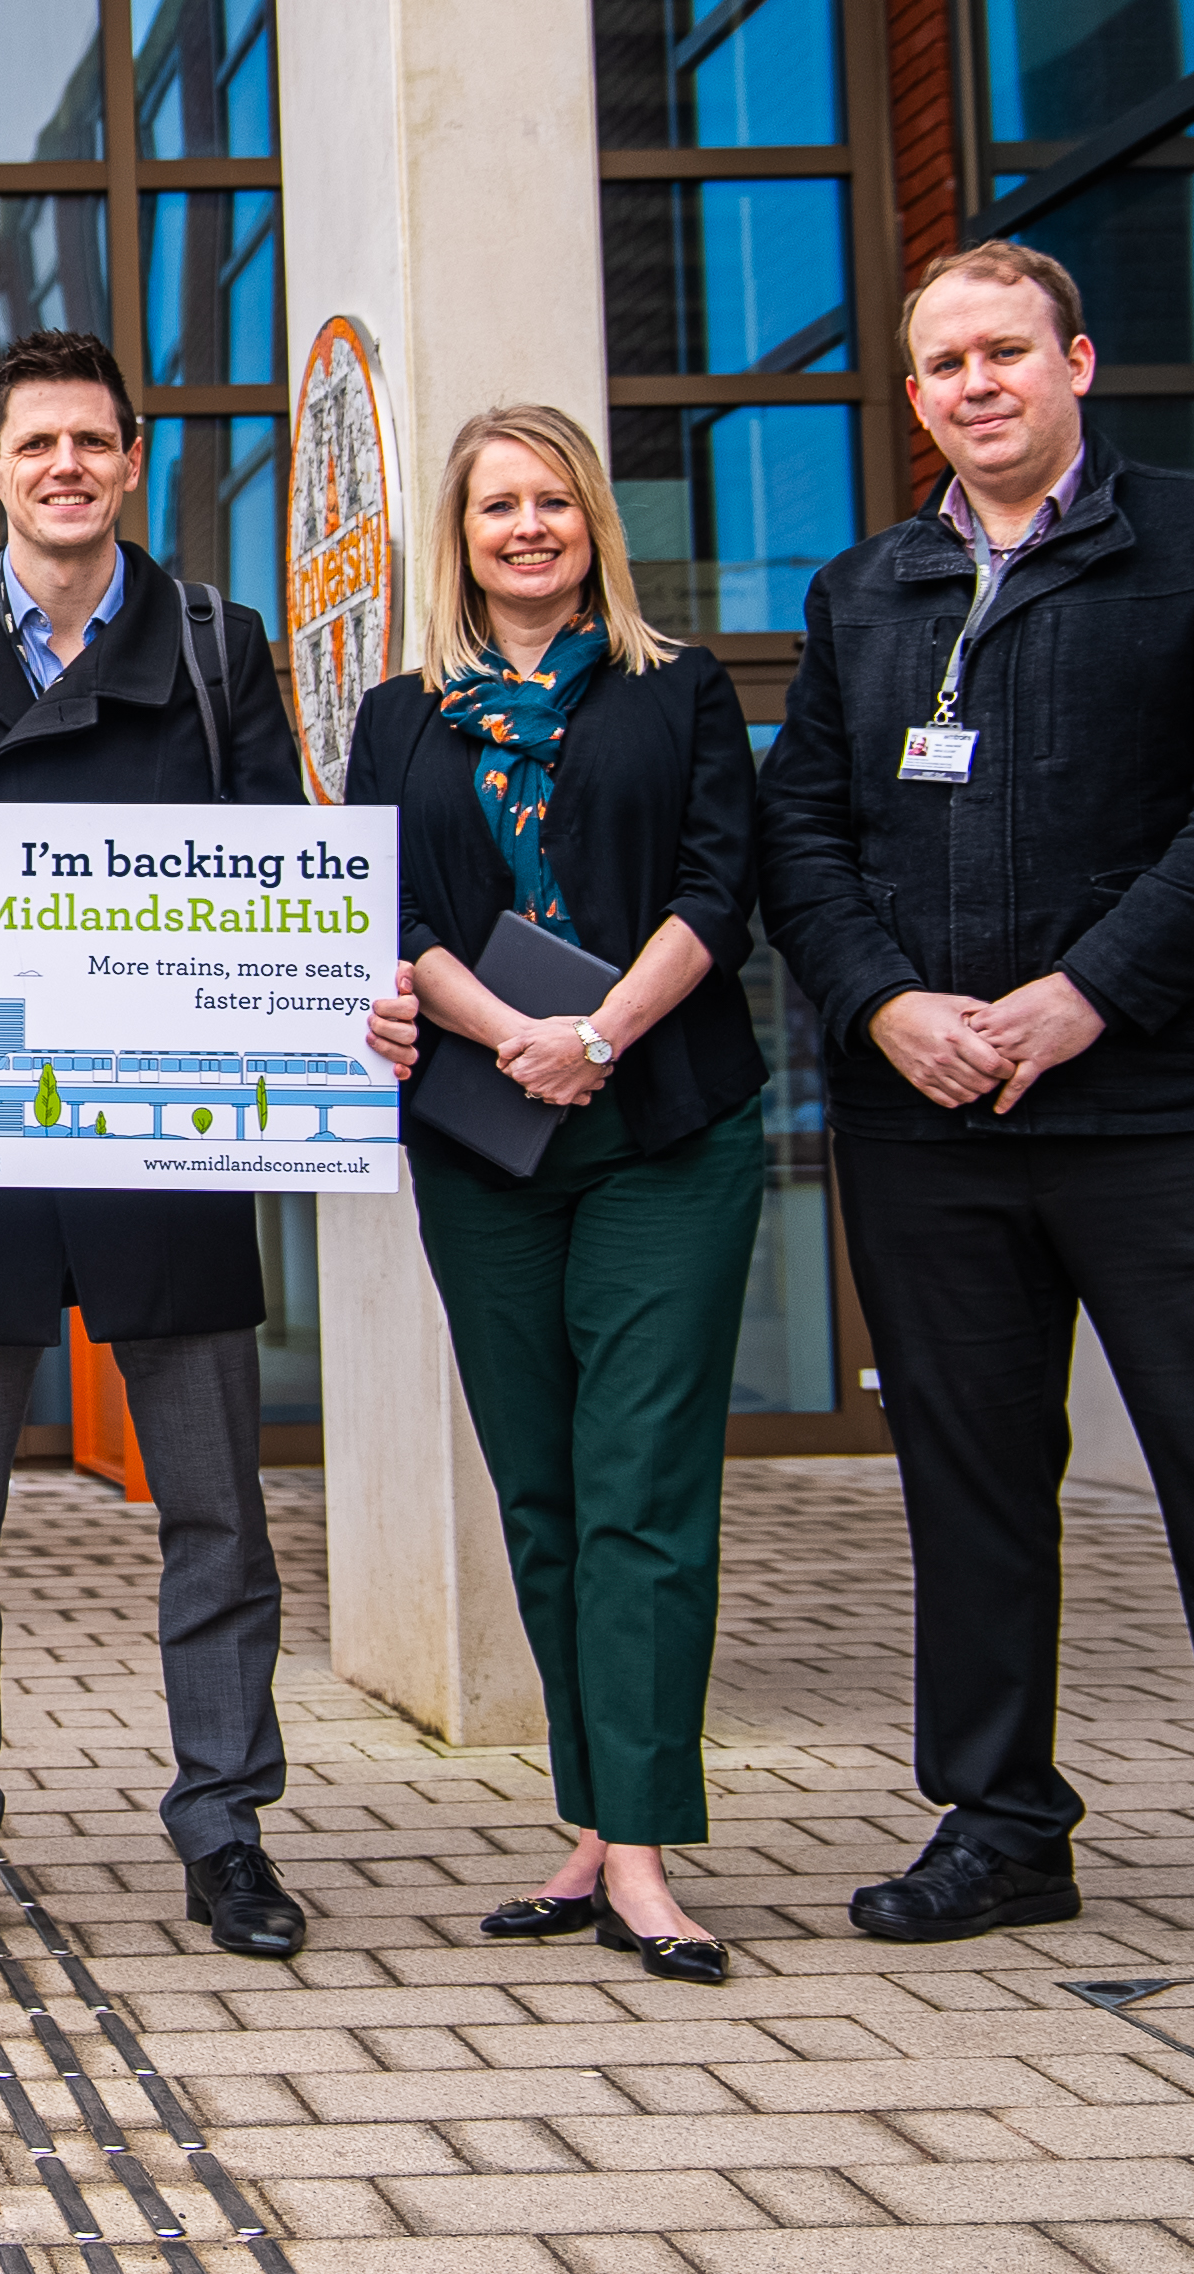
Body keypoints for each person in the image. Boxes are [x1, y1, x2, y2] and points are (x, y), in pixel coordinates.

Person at [758, 241, 1194, 1988]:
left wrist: (1086, 994)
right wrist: (888, 1006)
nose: (978, 385)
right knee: (970, 1484)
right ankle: (998, 1826)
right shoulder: (865, 592)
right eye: (944, 365)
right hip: (933, 1127)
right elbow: (799, 838)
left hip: (1180, 1114)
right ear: (914, 399)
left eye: (1006, 353)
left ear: (1078, 362)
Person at [0, 331, 324, 1963]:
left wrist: (325, 1012)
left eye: (93, 444)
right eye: (35, 444)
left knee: (215, 1511)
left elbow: (274, 879)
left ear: (129, 462)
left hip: (162, 1134)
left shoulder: (222, 646)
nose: (65, 469)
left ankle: (226, 1825)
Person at [347, 403, 766, 1986]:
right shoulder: (401, 716)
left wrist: (598, 1031)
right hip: (486, 1138)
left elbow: (719, 890)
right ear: (457, 537)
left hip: (663, 1127)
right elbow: (391, 906)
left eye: (553, 501)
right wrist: (515, 1034)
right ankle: (590, 1824)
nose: (527, 527)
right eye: (496, 506)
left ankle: (648, 1851)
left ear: (595, 518)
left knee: (640, 1488)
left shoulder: (683, 693)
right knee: (537, 1488)